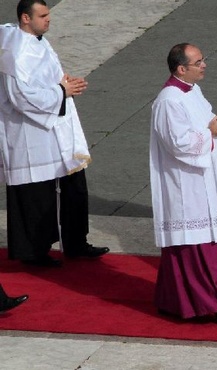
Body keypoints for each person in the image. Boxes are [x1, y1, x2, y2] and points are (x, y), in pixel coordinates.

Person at [149, 43, 217, 324]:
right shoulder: (168, 101)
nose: (204, 65)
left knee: (202, 248)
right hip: (186, 187)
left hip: (204, 180)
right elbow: (178, 143)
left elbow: (204, 120)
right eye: (198, 62)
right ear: (181, 69)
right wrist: (211, 131)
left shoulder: (192, 91)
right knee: (197, 251)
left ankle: (175, 302)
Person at [0, 0, 109, 268]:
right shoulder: (16, 54)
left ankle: (76, 242)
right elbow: (20, 97)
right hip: (32, 135)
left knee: (74, 185)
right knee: (37, 195)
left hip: (57, 129)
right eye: (43, 15)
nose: (49, 19)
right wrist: (61, 92)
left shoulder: (35, 39)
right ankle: (34, 251)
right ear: (25, 18)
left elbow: (45, 77)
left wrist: (64, 83)